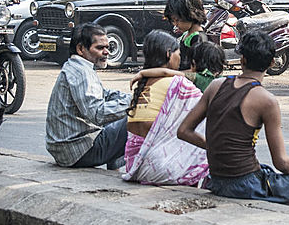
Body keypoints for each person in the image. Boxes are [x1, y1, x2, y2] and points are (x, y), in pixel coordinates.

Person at [178, 30, 289, 206]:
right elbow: (282, 162)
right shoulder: (267, 100)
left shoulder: (216, 85)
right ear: (272, 62)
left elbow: (183, 131)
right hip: (246, 185)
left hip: (216, 180)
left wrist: (215, 146)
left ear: (242, 60)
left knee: (266, 170)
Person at [122, 30, 211, 186]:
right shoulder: (178, 84)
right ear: (169, 54)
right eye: (178, 53)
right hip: (160, 168)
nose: (180, 58)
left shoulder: (142, 83)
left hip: (133, 166)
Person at [46, 23, 132, 170]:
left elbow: (104, 94)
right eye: (100, 48)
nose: (107, 52)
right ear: (81, 49)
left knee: (124, 110)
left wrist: (132, 97)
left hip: (67, 151)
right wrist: (135, 103)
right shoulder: (81, 72)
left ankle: (115, 165)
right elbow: (97, 114)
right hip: (77, 152)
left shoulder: (78, 66)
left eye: (107, 47)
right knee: (137, 116)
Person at [164, 0, 208, 71]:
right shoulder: (186, 34)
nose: (175, 24)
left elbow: (198, 70)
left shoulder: (197, 38)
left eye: (177, 20)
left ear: (190, 15)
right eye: (173, 21)